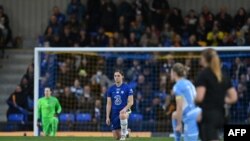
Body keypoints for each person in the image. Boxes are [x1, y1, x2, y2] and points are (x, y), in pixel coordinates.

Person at [195, 48, 238, 141]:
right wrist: (221, 99)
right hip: (222, 114)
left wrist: (194, 99)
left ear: (205, 59)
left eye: (201, 57)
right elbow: (233, 97)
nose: (200, 59)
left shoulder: (203, 75)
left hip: (209, 115)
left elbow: (200, 97)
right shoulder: (223, 75)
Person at [171, 63, 202, 141]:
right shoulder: (189, 82)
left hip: (191, 116)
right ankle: (177, 139)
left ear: (174, 73)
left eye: (171, 72)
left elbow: (179, 106)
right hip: (200, 112)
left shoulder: (177, 87)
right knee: (174, 115)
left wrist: (179, 124)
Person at [106, 70, 134, 140]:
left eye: (118, 76)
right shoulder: (110, 89)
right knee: (116, 137)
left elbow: (131, 102)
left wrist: (124, 109)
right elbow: (109, 104)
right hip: (114, 113)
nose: (116, 77)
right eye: (115, 76)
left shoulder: (127, 88)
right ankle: (127, 131)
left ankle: (124, 135)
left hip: (125, 110)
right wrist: (107, 117)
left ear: (122, 77)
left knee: (122, 114)